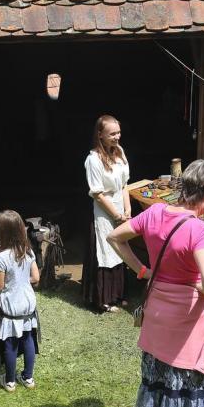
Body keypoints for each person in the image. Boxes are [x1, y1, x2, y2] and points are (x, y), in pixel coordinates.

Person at [107, 160, 204, 407]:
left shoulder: (155, 212)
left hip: (158, 309)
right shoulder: (200, 231)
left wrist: (143, 271)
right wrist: (202, 287)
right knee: (187, 379)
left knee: (160, 376)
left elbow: (114, 237)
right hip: (189, 320)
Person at [82, 115, 131, 313]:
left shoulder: (120, 152)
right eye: (112, 134)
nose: (117, 137)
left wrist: (127, 210)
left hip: (120, 207)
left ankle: (118, 294)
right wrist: (117, 215)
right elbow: (98, 194)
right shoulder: (93, 160)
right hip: (104, 211)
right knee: (106, 252)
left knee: (121, 250)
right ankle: (103, 299)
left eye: (118, 132)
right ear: (100, 135)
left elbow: (124, 185)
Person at [0, 210, 41, 392]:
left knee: (10, 344)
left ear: (1, 233)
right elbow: (36, 278)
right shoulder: (28, 251)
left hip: (12, 307)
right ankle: (28, 378)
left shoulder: (1, 257)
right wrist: (20, 280)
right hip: (28, 305)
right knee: (28, 340)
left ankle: (10, 381)